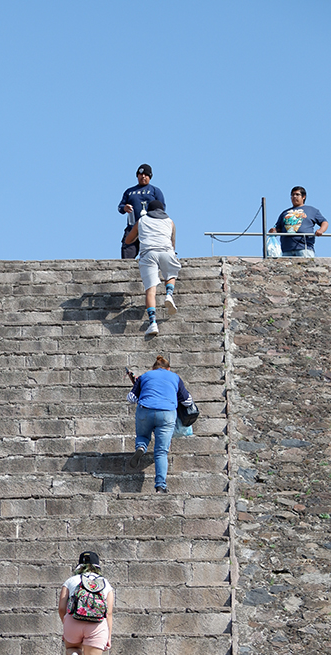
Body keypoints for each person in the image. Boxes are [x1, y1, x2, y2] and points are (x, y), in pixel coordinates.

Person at [58, 550, 114, 655]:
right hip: (97, 626)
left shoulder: (70, 581)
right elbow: (109, 613)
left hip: (73, 622)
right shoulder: (106, 583)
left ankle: (75, 654)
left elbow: (61, 608)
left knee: (72, 647)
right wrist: (108, 636)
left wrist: (66, 623)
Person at [127, 355, 194, 494]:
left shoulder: (145, 376)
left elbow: (131, 398)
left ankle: (141, 447)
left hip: (145, 410)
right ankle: (160, 486)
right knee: (161, 451)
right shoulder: (175, 377)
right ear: (168, 368)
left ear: (153, 368)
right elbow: (187, 401)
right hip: (167, 413)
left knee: (143, 435)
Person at [124, 199, 180, 336]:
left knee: (150, 290)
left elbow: (128, 240)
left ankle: (153, 323)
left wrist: (139, 234)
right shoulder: (170, 222)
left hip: (148, 254)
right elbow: (173, 245)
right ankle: (169, 294)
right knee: (171, 274)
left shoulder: (142, 220)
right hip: (166, 252)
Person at [117, 164, 166, 259]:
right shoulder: (129, 191)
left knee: (152, 256)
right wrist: (125, 208)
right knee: (127, 253)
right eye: (140, 174)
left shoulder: (155, 191)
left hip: (150, 228)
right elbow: (120, 208)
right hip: (132, 227)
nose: (143, 176)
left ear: (150, 177)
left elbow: (162, 208)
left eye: (146, 175)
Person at [269, 186, 328, 257]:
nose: (294, 196)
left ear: (303, 197)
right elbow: (278, 229)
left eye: (297, 194)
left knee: (306, 267)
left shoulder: (312, 210)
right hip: (286, 249)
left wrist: (321, 230)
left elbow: (324, 222)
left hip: (304, 248)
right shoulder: (284, 213)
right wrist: (273, 231)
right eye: (292, 195)